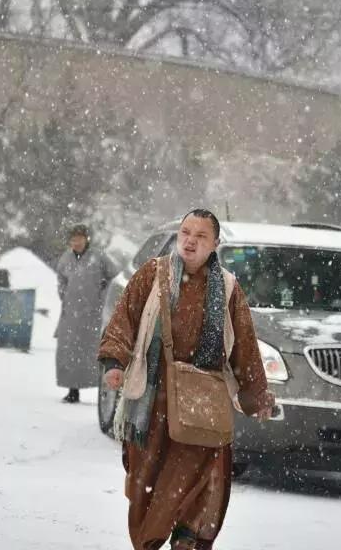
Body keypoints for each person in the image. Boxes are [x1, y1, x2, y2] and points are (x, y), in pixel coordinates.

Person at [98, 209, 274, 550]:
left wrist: (257, 394)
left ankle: (187, 541)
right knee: (145, 486)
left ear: (215, 245)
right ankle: (148, 542)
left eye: (201, 236)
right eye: (185, 232)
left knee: (201, 485)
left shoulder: (227, 288)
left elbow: (245, 345)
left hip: (203, 407)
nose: (190, 240)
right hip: (152, 407)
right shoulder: (153, 274)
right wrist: (114, 363)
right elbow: (124, 320)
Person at [55, 224, 118, 404]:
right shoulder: (65, 258)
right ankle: (72, 390)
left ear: (86, 239)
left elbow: (113, 278)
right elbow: (60, 280)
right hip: (71, 313)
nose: (76, 242)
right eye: (73, 239)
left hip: (93, 314)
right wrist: (64, 295)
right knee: (70, 353)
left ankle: (105, 393)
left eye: (79, 238)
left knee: (94, 353)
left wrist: (102, 298)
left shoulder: (98, 257)